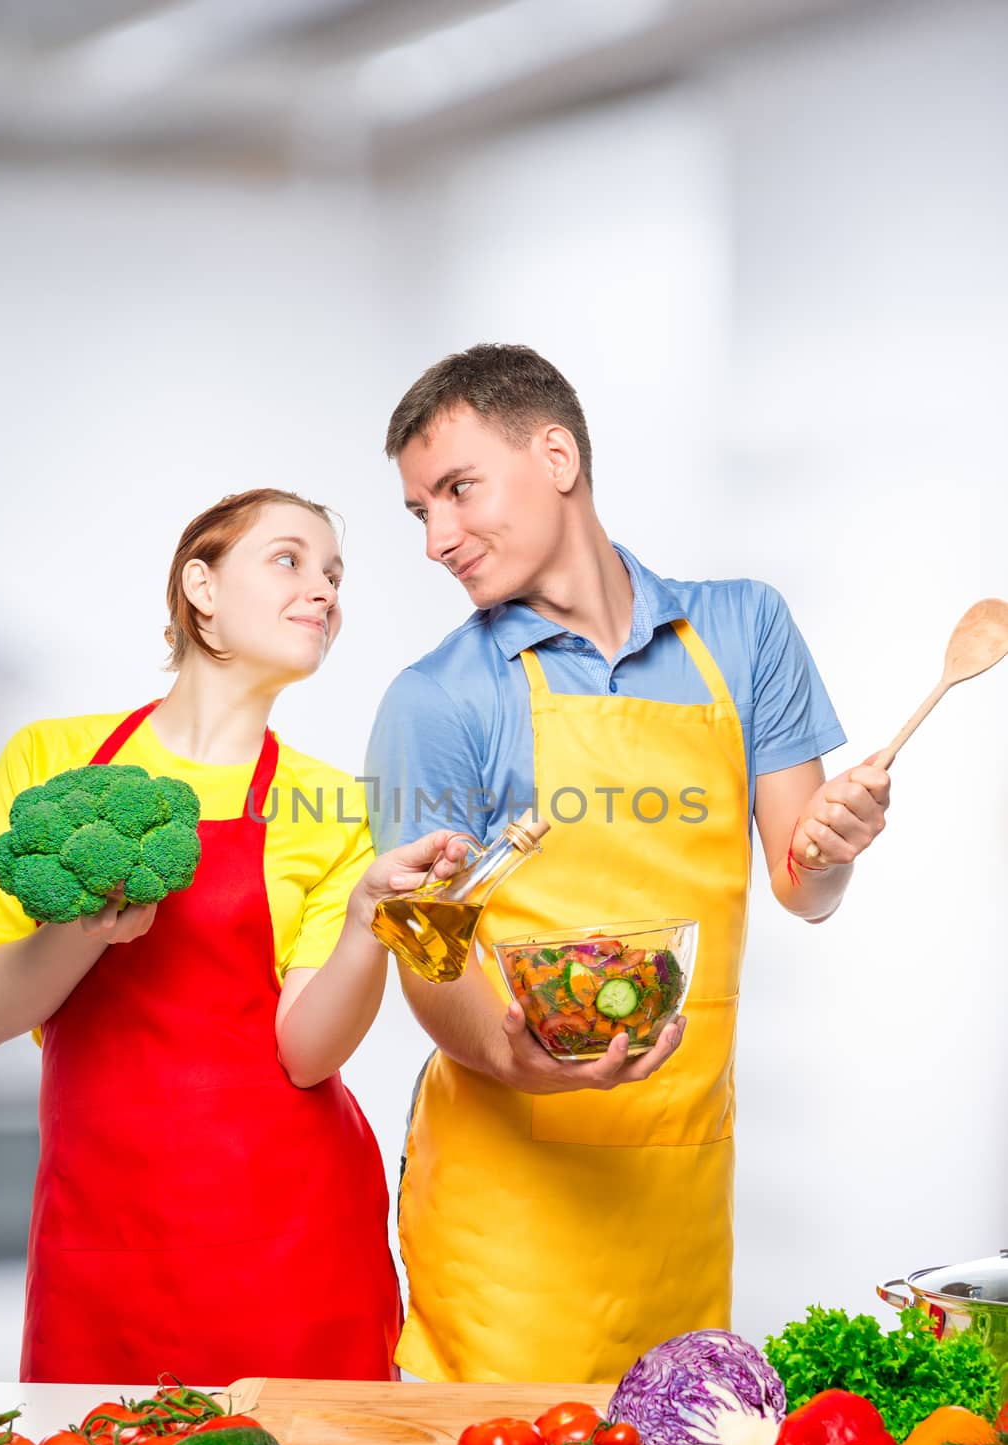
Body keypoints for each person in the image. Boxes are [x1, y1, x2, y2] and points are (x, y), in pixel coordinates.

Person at [365, 344, 891, 1384]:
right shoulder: (436, 698)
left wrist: (836, 846)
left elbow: (805, 886)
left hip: (679, 1194)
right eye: (419, 510)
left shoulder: (743, 630)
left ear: (555, 454)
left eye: (457, 490)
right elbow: (424, 955)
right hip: (505, 1213)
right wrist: (529, 1059)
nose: (436, 538)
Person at [0, 487, 464, 1384]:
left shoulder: (331, 805)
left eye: (336, 575)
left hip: (293, 1236)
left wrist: (365, 924)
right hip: (105, 1235)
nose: (326, 590)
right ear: (201, 587)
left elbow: (305, 1055)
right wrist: (86, 927)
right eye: (290, 560)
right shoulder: (52, 762)